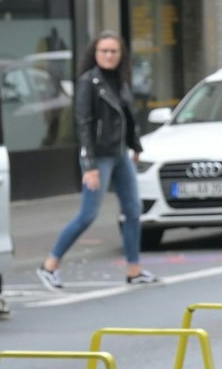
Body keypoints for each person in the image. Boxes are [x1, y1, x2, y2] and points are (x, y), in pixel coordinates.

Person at [40, 32, 155, 290]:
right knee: (87, 215)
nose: (108, 55)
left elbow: (126, 116)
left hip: (119, 155)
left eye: (113, 51)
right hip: (99, 158)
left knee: (133, 210)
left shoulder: (120, 81)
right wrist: (89, 165)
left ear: (120, 55)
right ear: (95, 53)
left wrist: (135, 146)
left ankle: (134, 270)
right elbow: (84, 125)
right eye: (103, 51)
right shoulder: (88, 82)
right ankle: (49, 266)